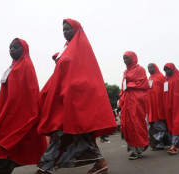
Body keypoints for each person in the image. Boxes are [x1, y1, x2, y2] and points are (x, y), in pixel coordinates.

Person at [36, 19, 116, 174]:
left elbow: (82, 76)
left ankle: (45, 169)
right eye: (63, 29)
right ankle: (100, 163)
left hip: (75, 100)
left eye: (68, 29)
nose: (65, 32)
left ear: (76, 29)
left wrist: (70, 93)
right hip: (64, 100)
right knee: (76, 135)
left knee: (64, 135)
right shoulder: (67, 48)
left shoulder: (81, 47)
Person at [0, 38, 47, 174]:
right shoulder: (12, 66)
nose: (12, 50)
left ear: (24, 49)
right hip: (6, 113)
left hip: (17, 115)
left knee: (3, 146)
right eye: (10, 47)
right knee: (0, 147)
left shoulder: (26, 65)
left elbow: (31, 92)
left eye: (15, 47)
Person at [119, 51, 149, 160]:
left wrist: (130, 85)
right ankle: (134, 148)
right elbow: (123, 87)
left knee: (137, 122)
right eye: (124, 58)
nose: (125, 61)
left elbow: (143, 83)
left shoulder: (140, 69)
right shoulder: (125, 72)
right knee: (127, 124)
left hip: (136, 99)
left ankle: (140, 146)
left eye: (127, 58)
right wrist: (121, 100)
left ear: (133, 58)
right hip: (126, 100)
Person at [146, 63, 171, 150]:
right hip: (151, 106)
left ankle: (164, 142)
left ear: (155, 67)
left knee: (161, 125)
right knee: (152, 126)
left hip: (160, 105)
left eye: (151, 67)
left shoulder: (161, 77)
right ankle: (156, 144)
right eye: (148, 68)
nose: (149, 69)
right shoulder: (149, 78)